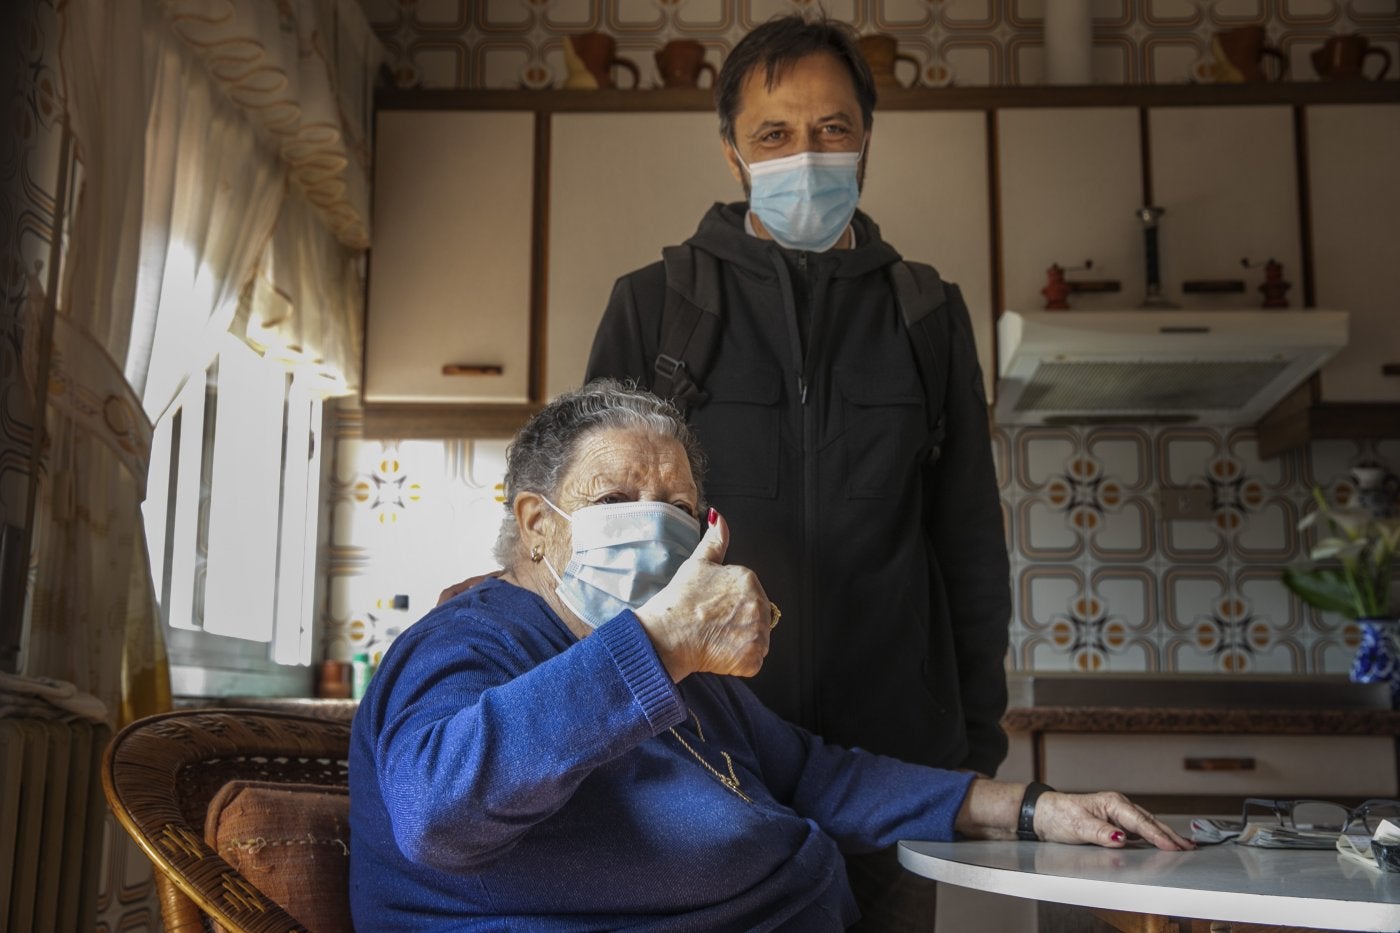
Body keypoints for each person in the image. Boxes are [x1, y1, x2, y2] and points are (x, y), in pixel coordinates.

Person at [351, 381, 1192, 932]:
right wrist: (661, 642)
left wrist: (1034, 806)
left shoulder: (685, 675)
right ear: (537, 527)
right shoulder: (472, 637)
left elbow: (818, 774)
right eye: (615, 498)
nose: (652, 521)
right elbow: (435, 808)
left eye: (677, 505)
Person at [581, 14, 1010, 925]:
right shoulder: (656, 307)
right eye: (774, 134)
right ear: (733, 152)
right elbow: (592, 554)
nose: (804, 156)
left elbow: (968, 542)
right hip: (710, 767)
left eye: (831, 130)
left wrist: (973, 749)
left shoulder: (928, 315)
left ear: (865, 141)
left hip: (900, 770)